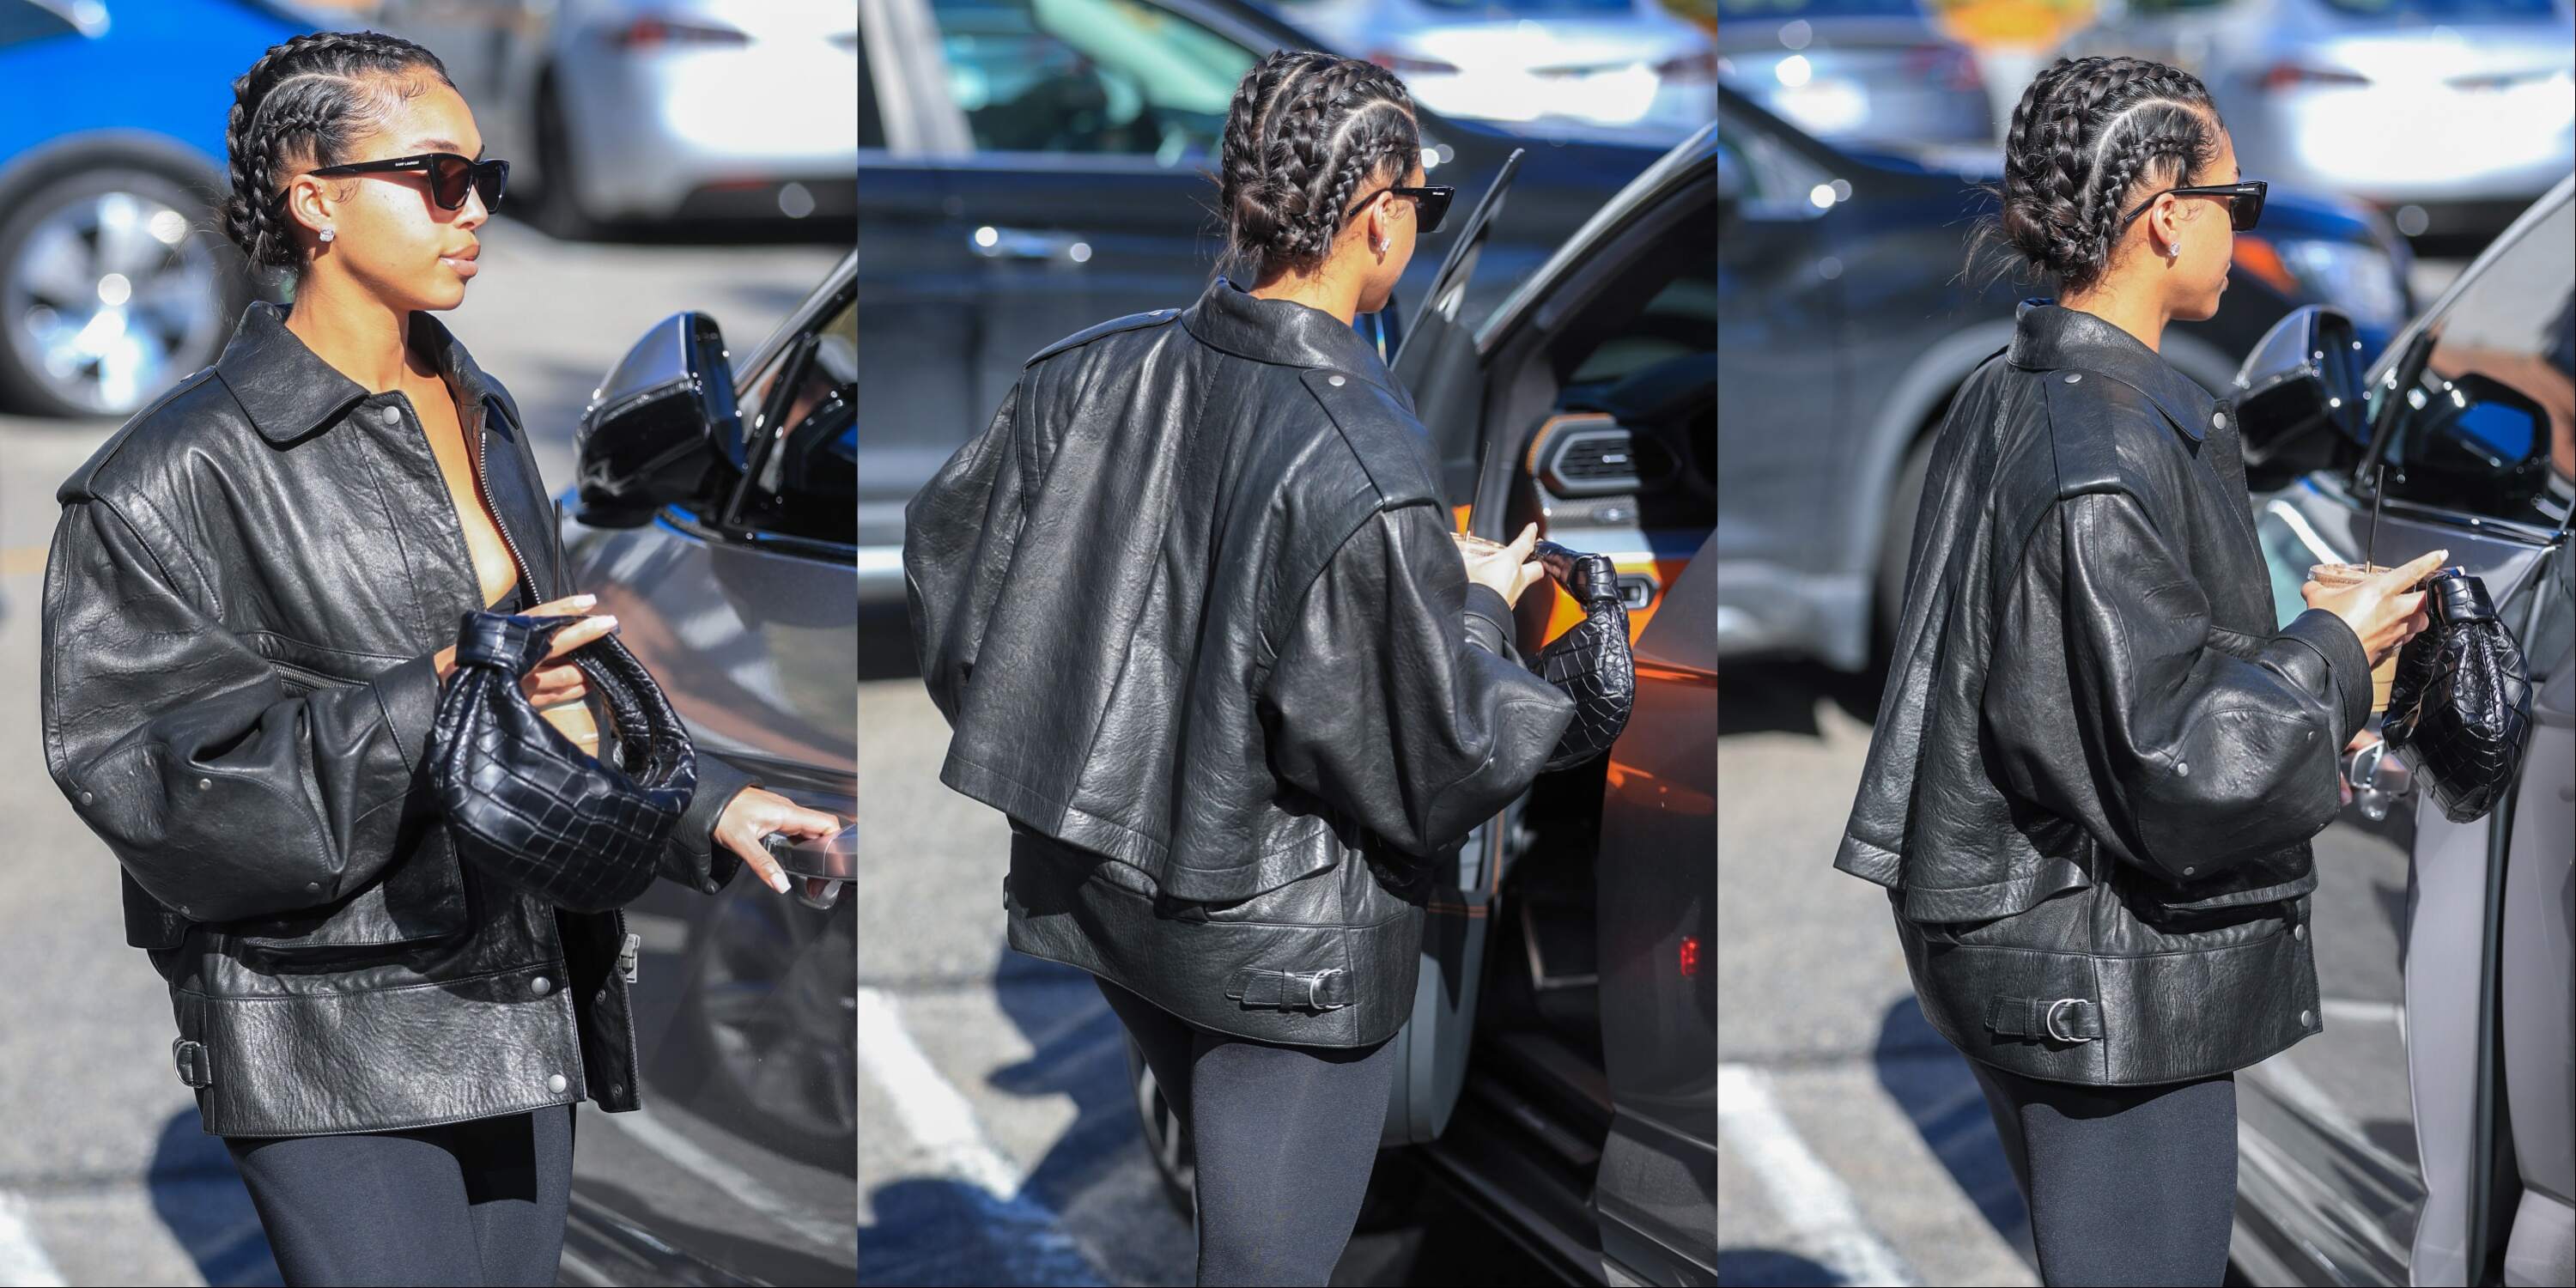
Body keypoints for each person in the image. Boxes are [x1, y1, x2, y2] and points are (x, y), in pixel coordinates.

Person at [36, 31, 841, 1286]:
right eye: (437, 177)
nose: (474, 212)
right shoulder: (162, 481)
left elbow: (553, 684)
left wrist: (706, 801)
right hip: (328, 1028)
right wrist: (441, 698)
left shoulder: (478, 409)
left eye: (486, 180)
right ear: (314, 198)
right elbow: (160, 796)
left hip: (520, 994)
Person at [905, 49, 1577, 1287]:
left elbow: (959, 593)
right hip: (1286, 960)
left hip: (1104, 903)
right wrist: (1482, 610)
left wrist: (1076, 779)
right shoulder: (1363, 459)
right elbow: (1433, 763)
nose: (1419, 229)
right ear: (1376, 215)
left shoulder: (1082, 374)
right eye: (1424, 204)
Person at [1833, 55, 2442, 1287]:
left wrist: (2303, 649)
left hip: (2054, 958)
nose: (2242, 226)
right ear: (2165, 213)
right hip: (2109, 980)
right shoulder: (2099, 445)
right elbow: (2172, 758)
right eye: (2237, 199)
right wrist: (2337, 649)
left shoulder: (2011, 388)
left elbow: (2087, 683)